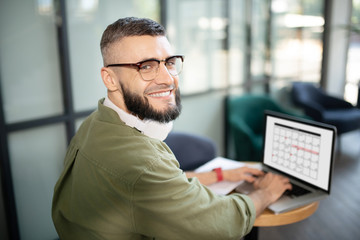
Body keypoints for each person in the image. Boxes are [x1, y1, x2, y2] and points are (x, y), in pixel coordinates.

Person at [52, 17, 292, 240]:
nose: (167, 79)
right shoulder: (143, 162)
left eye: (168, 62)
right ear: (109, 79)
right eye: (146, 66)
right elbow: (223, 222)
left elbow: (147, 187)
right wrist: (266, 193)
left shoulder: (95, 123)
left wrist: (219, 175)